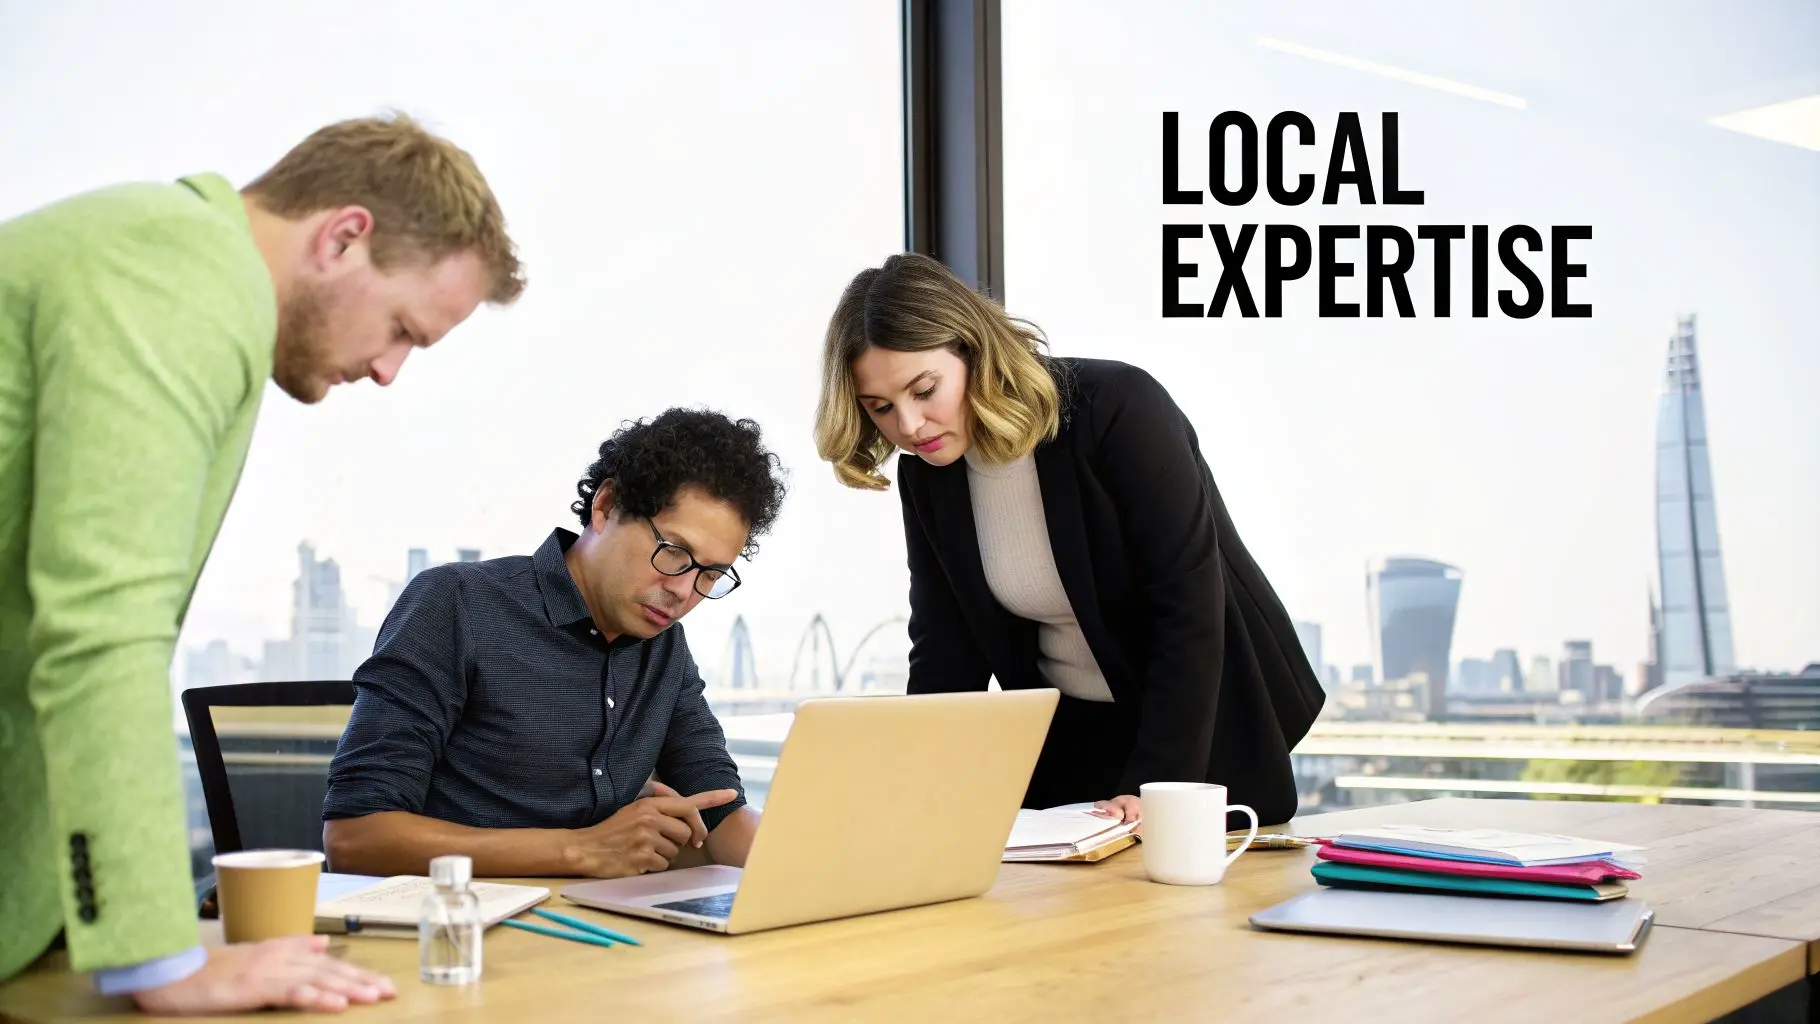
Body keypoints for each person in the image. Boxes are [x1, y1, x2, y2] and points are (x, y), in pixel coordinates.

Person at [0, 113, 525, 1014]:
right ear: (343, 236)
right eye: (402, 328)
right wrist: (159, 960)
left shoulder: (163, 260)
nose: (391, 370)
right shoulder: (180, 274)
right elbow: (102, 628)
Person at [813, 253, 1324, 829]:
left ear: (974, 349)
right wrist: (921, 783)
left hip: (1197, 726)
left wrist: (1159, 783)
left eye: (925, 390)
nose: (908, 427)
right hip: (1073, 739)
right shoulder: (929, 476)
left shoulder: (1118, 406)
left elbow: (1188, 608)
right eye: (881, 408)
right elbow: (944, 647)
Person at [321, 409, 783, 880]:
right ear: (606, 506)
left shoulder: (664, 647)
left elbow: (720, 813)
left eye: (710, 574)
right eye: (674, 552)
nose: (684, 591)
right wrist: (580, 850)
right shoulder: (457, 602)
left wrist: (815, 857)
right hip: (454, 917)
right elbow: (355, 838)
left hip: (595, 919)